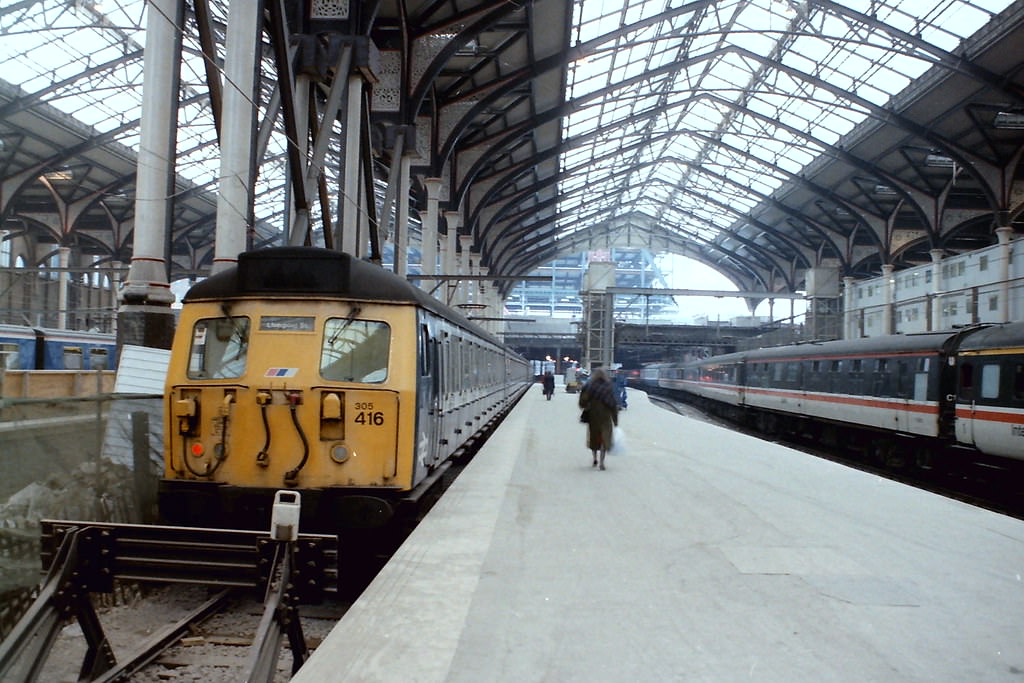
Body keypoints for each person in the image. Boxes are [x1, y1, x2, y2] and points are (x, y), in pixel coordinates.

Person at [578, 368, 618, 471]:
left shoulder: (589, 386)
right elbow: (613, 405)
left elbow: (582, 402)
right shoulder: (608, 387)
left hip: (593, 416)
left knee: (594, 438)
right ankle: (602, 462)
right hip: (605, 417)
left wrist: (586, 405)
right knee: (604, 439)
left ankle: (595, 458)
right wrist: (615, 420)